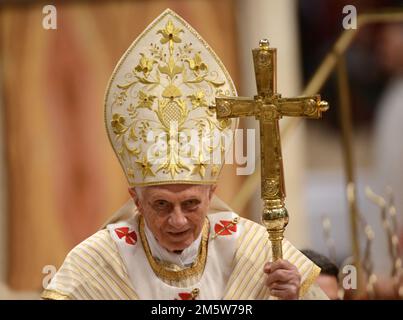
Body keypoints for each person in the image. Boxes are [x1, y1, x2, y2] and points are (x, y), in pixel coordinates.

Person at [41, 9, 328, 300]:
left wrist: (294, 297)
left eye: (190, 203)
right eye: (162, 205)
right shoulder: (98, 263)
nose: (177, 221)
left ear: (211, 193)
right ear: (136, 200)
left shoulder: (252, 251)